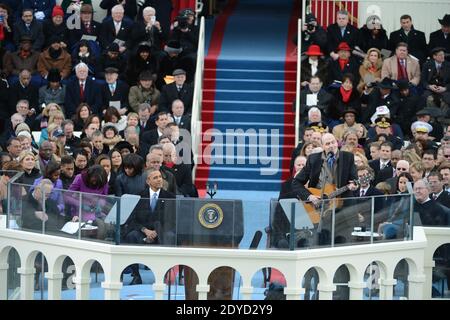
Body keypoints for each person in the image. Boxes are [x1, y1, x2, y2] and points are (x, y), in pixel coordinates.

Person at [292, 133, 358, 245]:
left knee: (341, 240)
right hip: (319, 207)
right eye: (327, 144)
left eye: (333, 142)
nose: (331, 145)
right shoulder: (313, 159)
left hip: (342, 205)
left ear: (337, 142)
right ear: (322, 146)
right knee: (321, 240)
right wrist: (310, 196)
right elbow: (296, 182)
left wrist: (355, 184)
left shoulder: (347, 157)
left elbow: (354, 179)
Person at [122, 167, 175, 284]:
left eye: (160, 177)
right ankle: (136, 276)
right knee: (131, 236)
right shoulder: (139, 196)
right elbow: (132, 220)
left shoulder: (170, 197)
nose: (159, 180)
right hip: (143, 231)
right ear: (148, 181)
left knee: (170, 235)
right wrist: (145, 230)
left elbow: (171, 220)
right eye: (155, 178)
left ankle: (163, 274)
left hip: (161, 231)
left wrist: (156, 231)